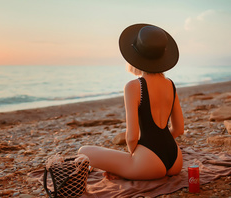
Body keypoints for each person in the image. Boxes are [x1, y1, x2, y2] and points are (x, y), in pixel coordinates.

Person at [78, 23, 184, 180]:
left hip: (150, 163)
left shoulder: (134, 87)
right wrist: (161, 145)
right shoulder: (170, 84)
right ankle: (129, 168)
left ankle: (128, 169)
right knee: (126, 161)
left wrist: (137, 156)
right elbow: (179, 129)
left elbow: (132, 137)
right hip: (175, 160)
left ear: (136, 56)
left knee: (83, 151)